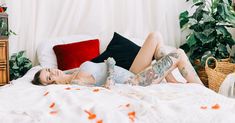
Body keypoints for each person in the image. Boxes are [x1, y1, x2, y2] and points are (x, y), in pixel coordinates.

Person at [32, 32, 203, 87]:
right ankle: (202, 89)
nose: (52, 72)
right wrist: (111, 64)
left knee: (155, 36)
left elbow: (65, 74)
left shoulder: (72, 73)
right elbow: (107, 86)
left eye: (48, 70)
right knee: (179, 54)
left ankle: (170, 78)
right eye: (49, 77)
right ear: (52, 84)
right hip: (136, 81)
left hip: (132, 73)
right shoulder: (77, 82)